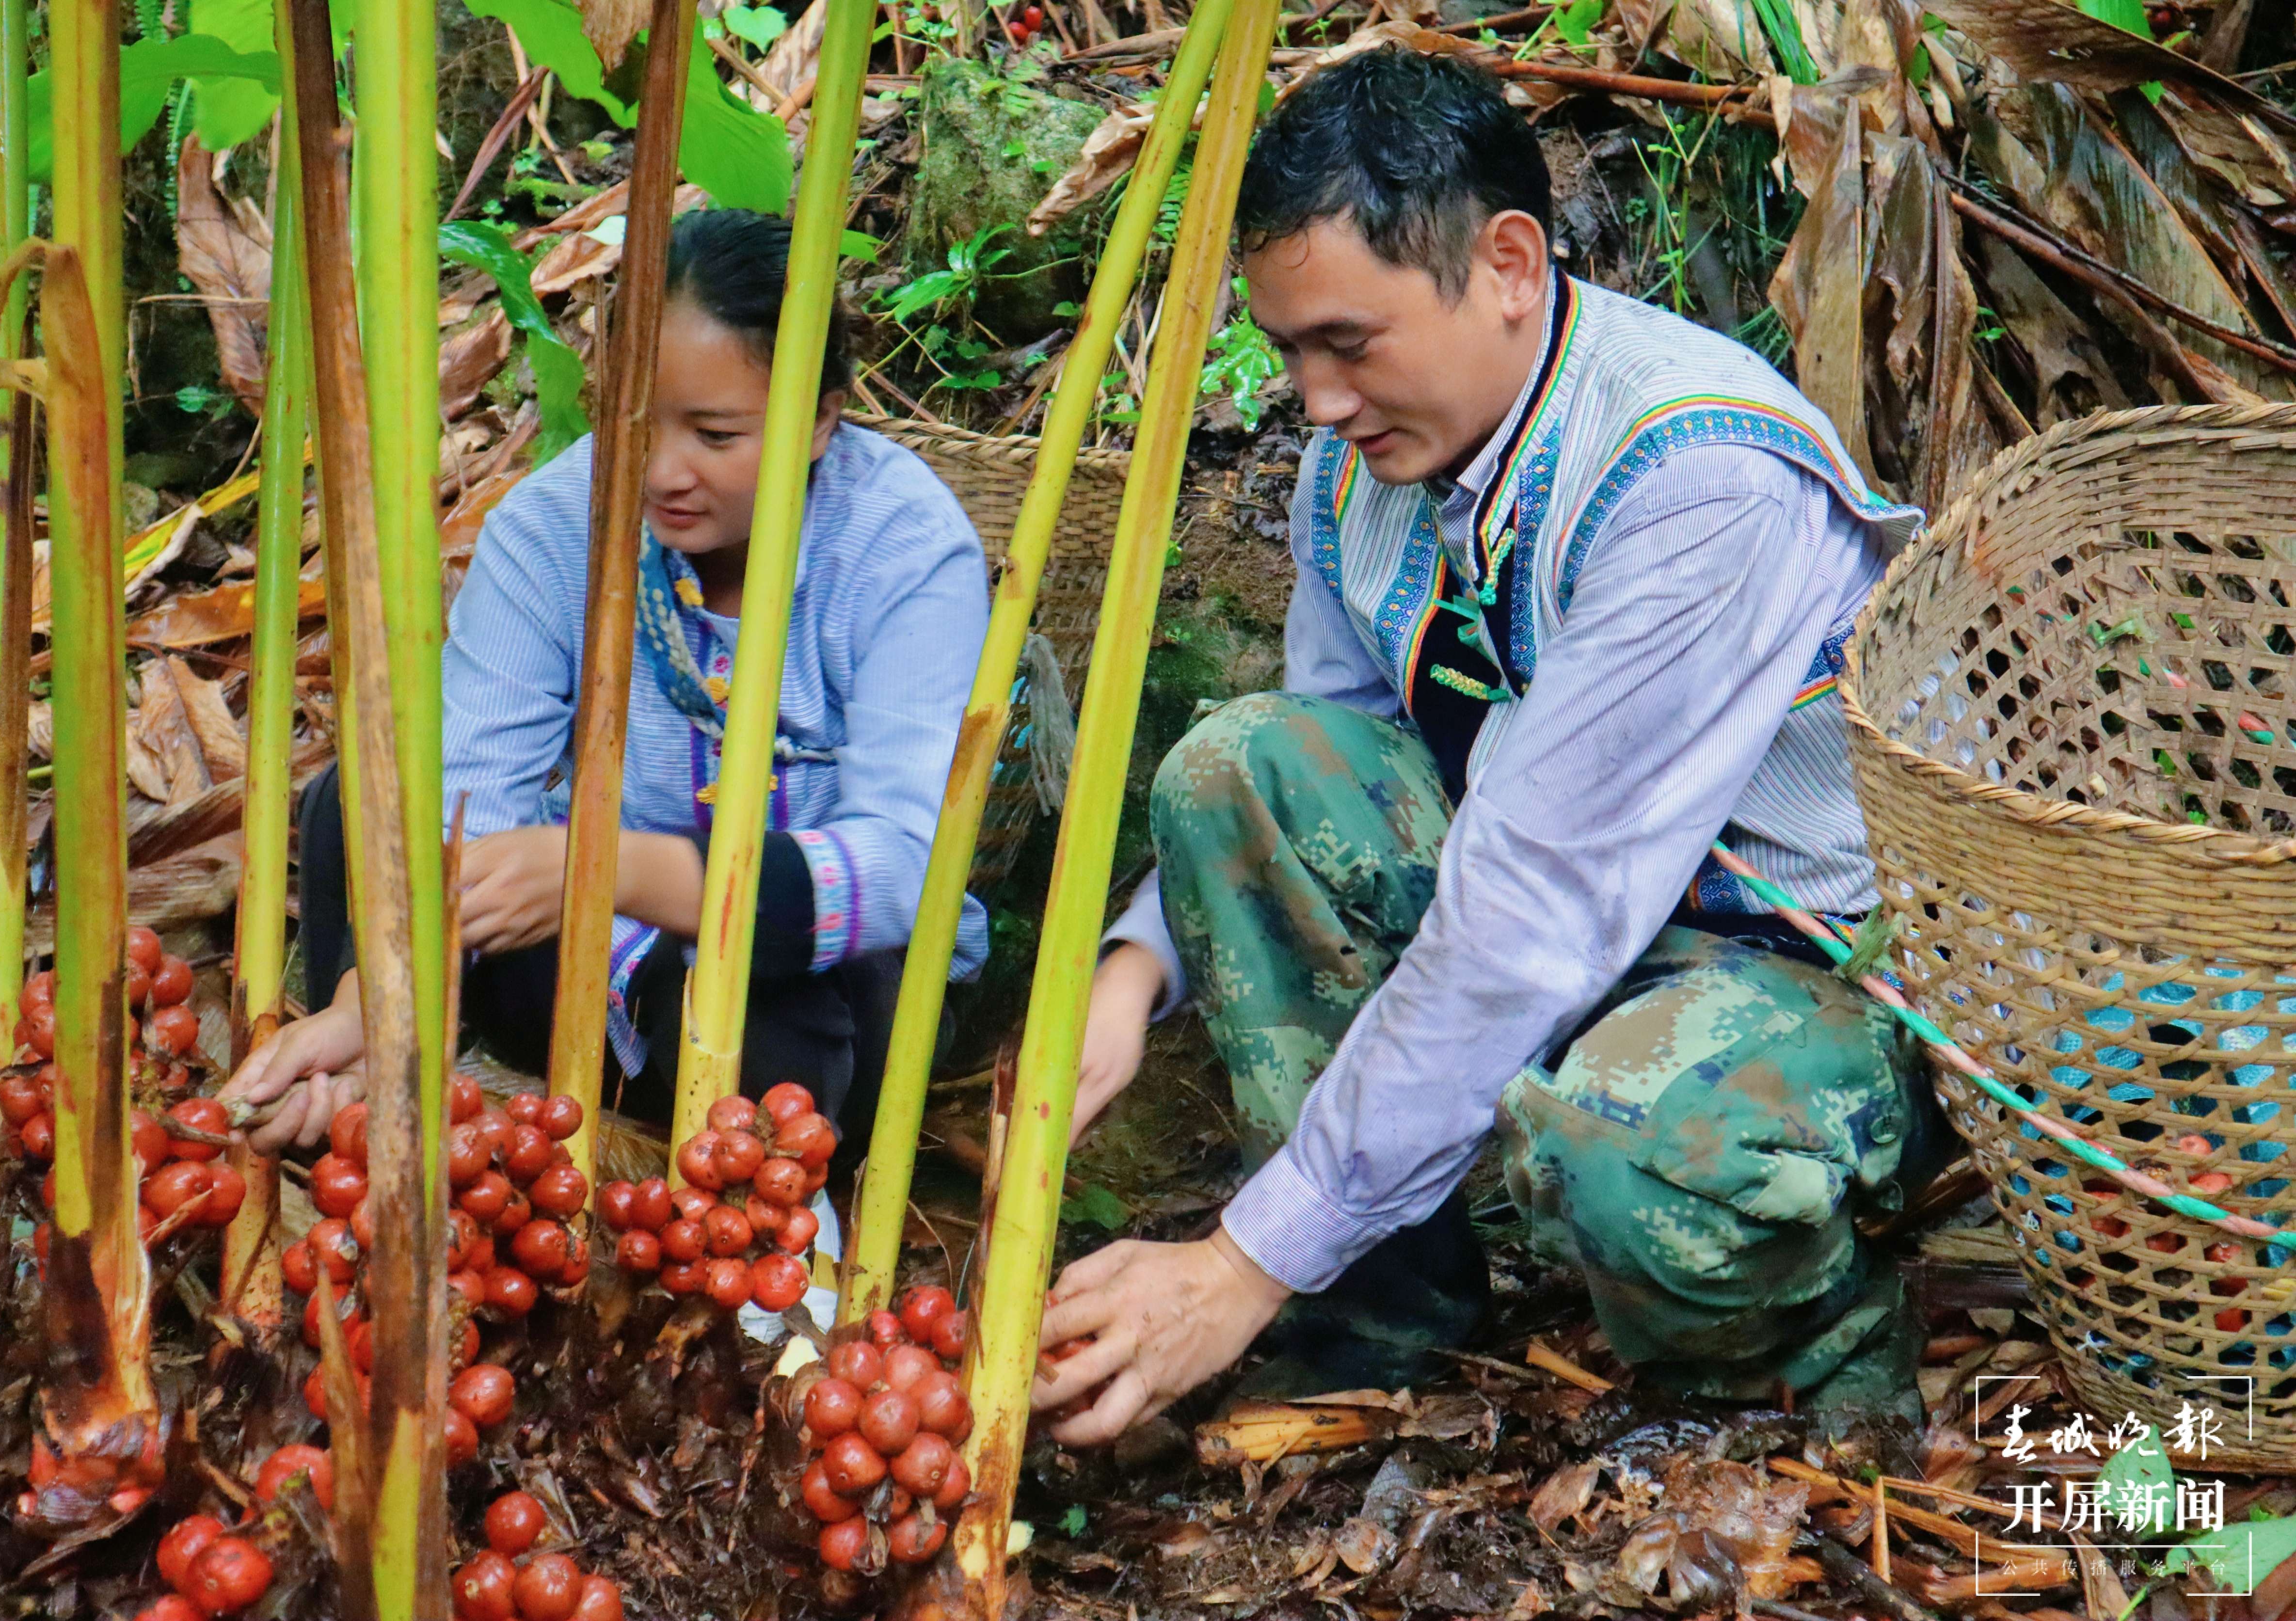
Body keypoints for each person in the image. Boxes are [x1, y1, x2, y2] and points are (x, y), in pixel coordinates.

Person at [1038, 47, 1946, 1445]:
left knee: (1631, 1146)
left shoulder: (1694, 477)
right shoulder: (1371, 465)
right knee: (1236, 764)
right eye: (1288, 351)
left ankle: (1804, 1378)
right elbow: (1326, 761)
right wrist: (1131, 969)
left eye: (1350, 341)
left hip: (1809, 977)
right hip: (1578, 926)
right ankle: (1377, 1315)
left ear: (1510, 264)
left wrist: (1237, 1257)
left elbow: (1531, 917)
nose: (1317, 398)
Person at [227, 207, 990, 1177]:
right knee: (359, 800)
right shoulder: (553, 524)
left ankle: (773, 1223)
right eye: (631, 419)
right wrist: (373, 1008)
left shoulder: (902, 548)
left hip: (822, 977)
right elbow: (470, 795)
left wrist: (609, 867)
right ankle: (401, 1065)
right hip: (598, 953)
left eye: (714, 433)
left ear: (821, 421)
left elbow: (898, 872)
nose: (661, 471)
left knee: (774, 1001)